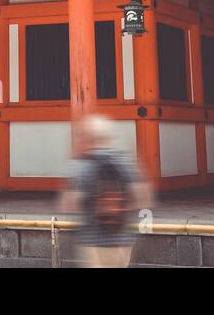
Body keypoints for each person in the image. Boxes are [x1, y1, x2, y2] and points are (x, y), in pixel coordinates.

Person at [60, 113, 151, 267]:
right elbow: (144, 199)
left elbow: (69, 206)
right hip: (122, 239)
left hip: (92, 240)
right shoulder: (124, 161)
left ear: (89, 138)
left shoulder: (82, 166)